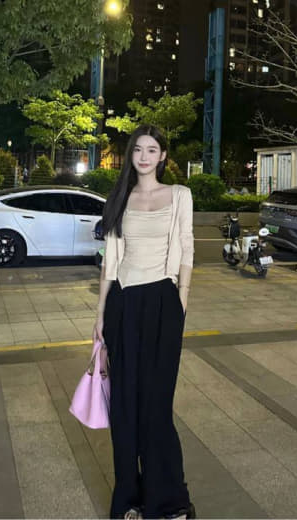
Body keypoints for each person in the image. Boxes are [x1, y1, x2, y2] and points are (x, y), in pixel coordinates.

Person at [93, 124, 196, 520]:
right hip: (123, 304)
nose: (144, 157)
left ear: (163, 155)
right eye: (138, 149)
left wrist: (180, 302)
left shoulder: (179, 195)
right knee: (124, 407)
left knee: (156, 406)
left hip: (163, 302)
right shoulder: (120, 197)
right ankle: (130, 499)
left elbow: (186, 247)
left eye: (152, 150)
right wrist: (100, 314)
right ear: (130, 154)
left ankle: (167, 500)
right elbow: (111, 260)